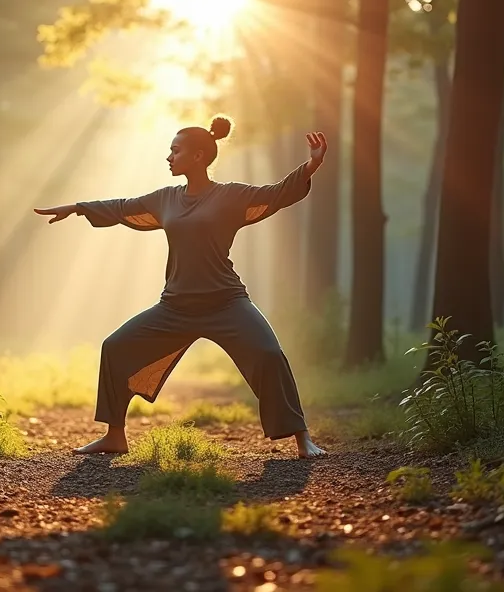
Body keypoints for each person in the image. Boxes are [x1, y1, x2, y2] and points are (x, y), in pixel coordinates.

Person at [34, 116, 329, 459]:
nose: (169, 157)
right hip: (175, 307)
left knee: (268, 355)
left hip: (226, 303)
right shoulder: (166, 199)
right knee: (115, 347)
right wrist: (77, 208)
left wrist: (312, 164)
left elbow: (277, 193)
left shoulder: (231, 196)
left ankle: (302, 440)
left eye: (175, 151)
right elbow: (122, 207)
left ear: (199, 156)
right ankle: (114, 436)